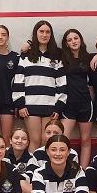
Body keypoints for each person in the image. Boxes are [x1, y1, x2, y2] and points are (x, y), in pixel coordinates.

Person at [13, 20, 66, 150]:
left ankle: (45, 164)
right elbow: (18, 80)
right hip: (30, 106)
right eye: (41, 31)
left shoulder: (57, 56)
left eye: (47, 32)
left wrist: (58, 107)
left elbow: (61, 83)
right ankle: (33, 164)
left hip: (50, 106)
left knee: (46, 141)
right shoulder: (25, 55)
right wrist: (20, 104)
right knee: (35, 140)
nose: (44, 35)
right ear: (35, 33)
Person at [59, 28, 95, 168]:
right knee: (63, 140)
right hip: (68, 104)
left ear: (80, 39)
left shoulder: (89, 57)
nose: (73, 41)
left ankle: (83, 171)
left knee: (85, 140)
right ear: (66, 44)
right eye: (69, 40)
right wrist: (28, 44)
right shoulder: (62, 57)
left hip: (85, 104)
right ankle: (65, 170)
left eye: (76, 38)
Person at [4, 127, 38, 193]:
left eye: (24, 139)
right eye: (16, 138)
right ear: (10, 141)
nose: (19, 141)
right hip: (4, 188)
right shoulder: (3, 154)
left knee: (22, 183)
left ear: (27, 143)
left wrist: (14, 177)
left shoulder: (31, 158)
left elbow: (30, 177)